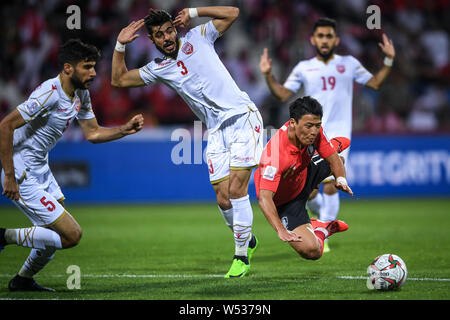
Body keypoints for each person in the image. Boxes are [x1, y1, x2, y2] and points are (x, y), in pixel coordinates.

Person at [111, 6, 263, 278]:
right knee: (223, 198)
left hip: (242, 118)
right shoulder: (159, 68)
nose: (167, 37)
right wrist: (120, 45)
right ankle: (247, 239)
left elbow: (234, 12)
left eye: (169, 30)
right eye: (160, 35)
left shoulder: (199, 36)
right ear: (153, 40)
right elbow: (119, 79)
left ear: (175, 29)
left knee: (238, 188)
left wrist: (194, 11)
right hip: (216, 131)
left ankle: (241, 256)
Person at [0, 39, 144, 291]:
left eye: (94, 66)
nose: (94, 73)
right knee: (70, 235)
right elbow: (5, 126)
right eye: (87, 67)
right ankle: (4, 236)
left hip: (40, 168)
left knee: (55, 234)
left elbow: (93, 133)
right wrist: (10, 176)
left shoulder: (81, 94)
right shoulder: (48, 94)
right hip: (21, 170)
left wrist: (124, 130)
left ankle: (22, 280)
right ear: (68, 68)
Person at [259, 17, 395, 252]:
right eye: (320, 36)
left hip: (335, 133)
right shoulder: (304, 67)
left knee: (332, 181)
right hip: (307, 135)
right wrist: (269, 75)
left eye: (328, 36)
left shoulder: (349, 63)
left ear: (336, 40)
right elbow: (282, 94)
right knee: (310, 191)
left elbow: (374, 83)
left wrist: (389, 60)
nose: (324, 40)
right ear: (313, 39)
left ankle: (325, 234)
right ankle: (318, 222)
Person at [255, 96, 352, 260]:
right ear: (293, 123)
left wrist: (341, 180)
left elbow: (334, 160)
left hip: (303, 174)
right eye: (309, 126)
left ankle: (327, 150)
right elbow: (264, 198)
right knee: (312, 252)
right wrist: (281, 229)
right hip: (285, 201)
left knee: (339, 161)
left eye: (317, 126)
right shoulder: (275, 156)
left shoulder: (313, 131)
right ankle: (321, 228)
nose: (313, 131)